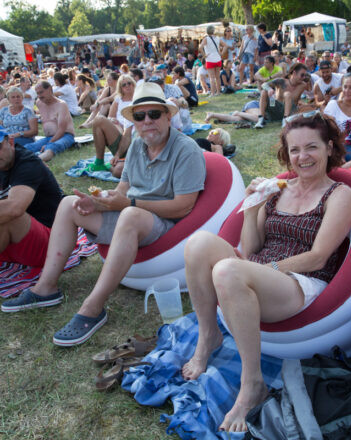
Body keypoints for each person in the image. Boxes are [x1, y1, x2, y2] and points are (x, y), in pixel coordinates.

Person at [181, 110, 351, 432]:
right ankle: (209, 336)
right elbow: (251, 249)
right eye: (294, 150)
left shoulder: (339, 195)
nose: (302, 157)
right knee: (198, 244)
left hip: (302, 281)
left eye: (311, 147)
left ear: (330, 147)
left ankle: (253, 384)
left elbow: (318, 257)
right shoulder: (278, 189)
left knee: (228, 271)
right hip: (260, 271)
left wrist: (266, 268)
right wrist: (253, 209)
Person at [2, 82, 207, 347]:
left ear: (168, 115)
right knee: (68, 204)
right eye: (140, 116)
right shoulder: (136, 145)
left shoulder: (186, 149)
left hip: (166, 224)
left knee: (131, 214)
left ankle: (93, 306)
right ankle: (45, 288)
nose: (147, 121)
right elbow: (124, 186)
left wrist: (127, 202)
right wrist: (102, 200)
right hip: (131, 211)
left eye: (154, 114)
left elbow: (183, 206)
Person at [0, 130, 63, 270]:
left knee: (9, 214)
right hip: (11, 243)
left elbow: (14, 209)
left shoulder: (28, 163)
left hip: (48, 245)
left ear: (10, 142)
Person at [87, 75, 136, 177]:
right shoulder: (118, 100)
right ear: (120, 87)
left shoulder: (138, 99)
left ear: (133, 84)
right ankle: (99, 161)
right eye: (124, 85)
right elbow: (110, 118)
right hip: (119, 135)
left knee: (119, 172)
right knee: (99, 120)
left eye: (129, 83)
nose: (127, 86)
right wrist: (115, 122)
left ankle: (108, 165)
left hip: (133, 137)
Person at [22, 81, 75, 162]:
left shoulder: (61, 104)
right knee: (27, 147)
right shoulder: (39, 103)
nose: (39, 96)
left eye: (41, 92)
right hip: (48, 137)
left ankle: (35, 163)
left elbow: (61, 130)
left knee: (51, 147)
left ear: (50, 89)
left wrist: (49, 143)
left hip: (65, 136)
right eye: (38, 93)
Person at [254, 62, 308, 129]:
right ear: (294, 73)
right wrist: (269, 89)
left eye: (305, 75)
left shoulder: (303, 85)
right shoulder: (281, 81)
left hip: (290, 112)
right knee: (264, 91)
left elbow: (295, 99)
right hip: (276, 109)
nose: (304, 77)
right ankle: (261, 119)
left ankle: (285, 120)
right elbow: (264, 85)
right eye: (302, 75)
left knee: (287, 94)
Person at [200, 25, 226, 97]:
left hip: (210, 59)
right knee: (218, 77)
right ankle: (218, 92)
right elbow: (225, 46)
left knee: (212, 77)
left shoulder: (206, 39)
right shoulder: (218, 38)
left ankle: (212, 93)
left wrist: (204, 55)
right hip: (218, 59)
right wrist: (222, 53)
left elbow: (200, 47)